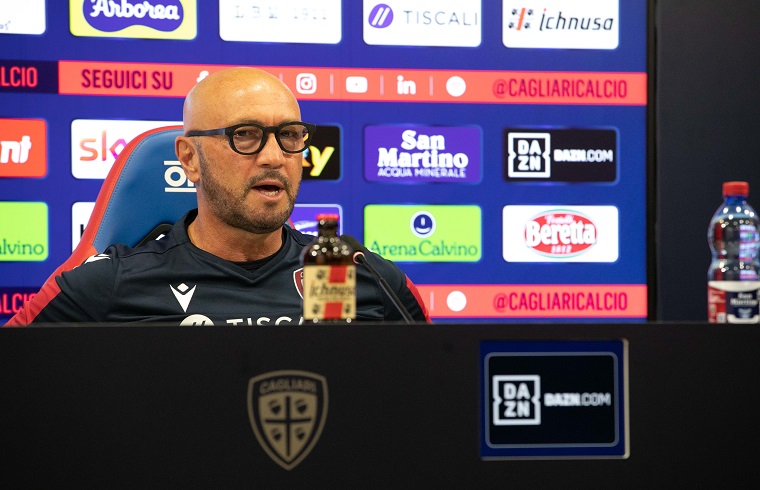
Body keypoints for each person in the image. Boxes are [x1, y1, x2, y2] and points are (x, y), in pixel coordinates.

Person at [5, 67, 430, 326]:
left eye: (289, 136)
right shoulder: (106, 284)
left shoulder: (365, 279)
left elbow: (440, 399)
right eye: (244, 135)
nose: (273, 157)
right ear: (189, 159)